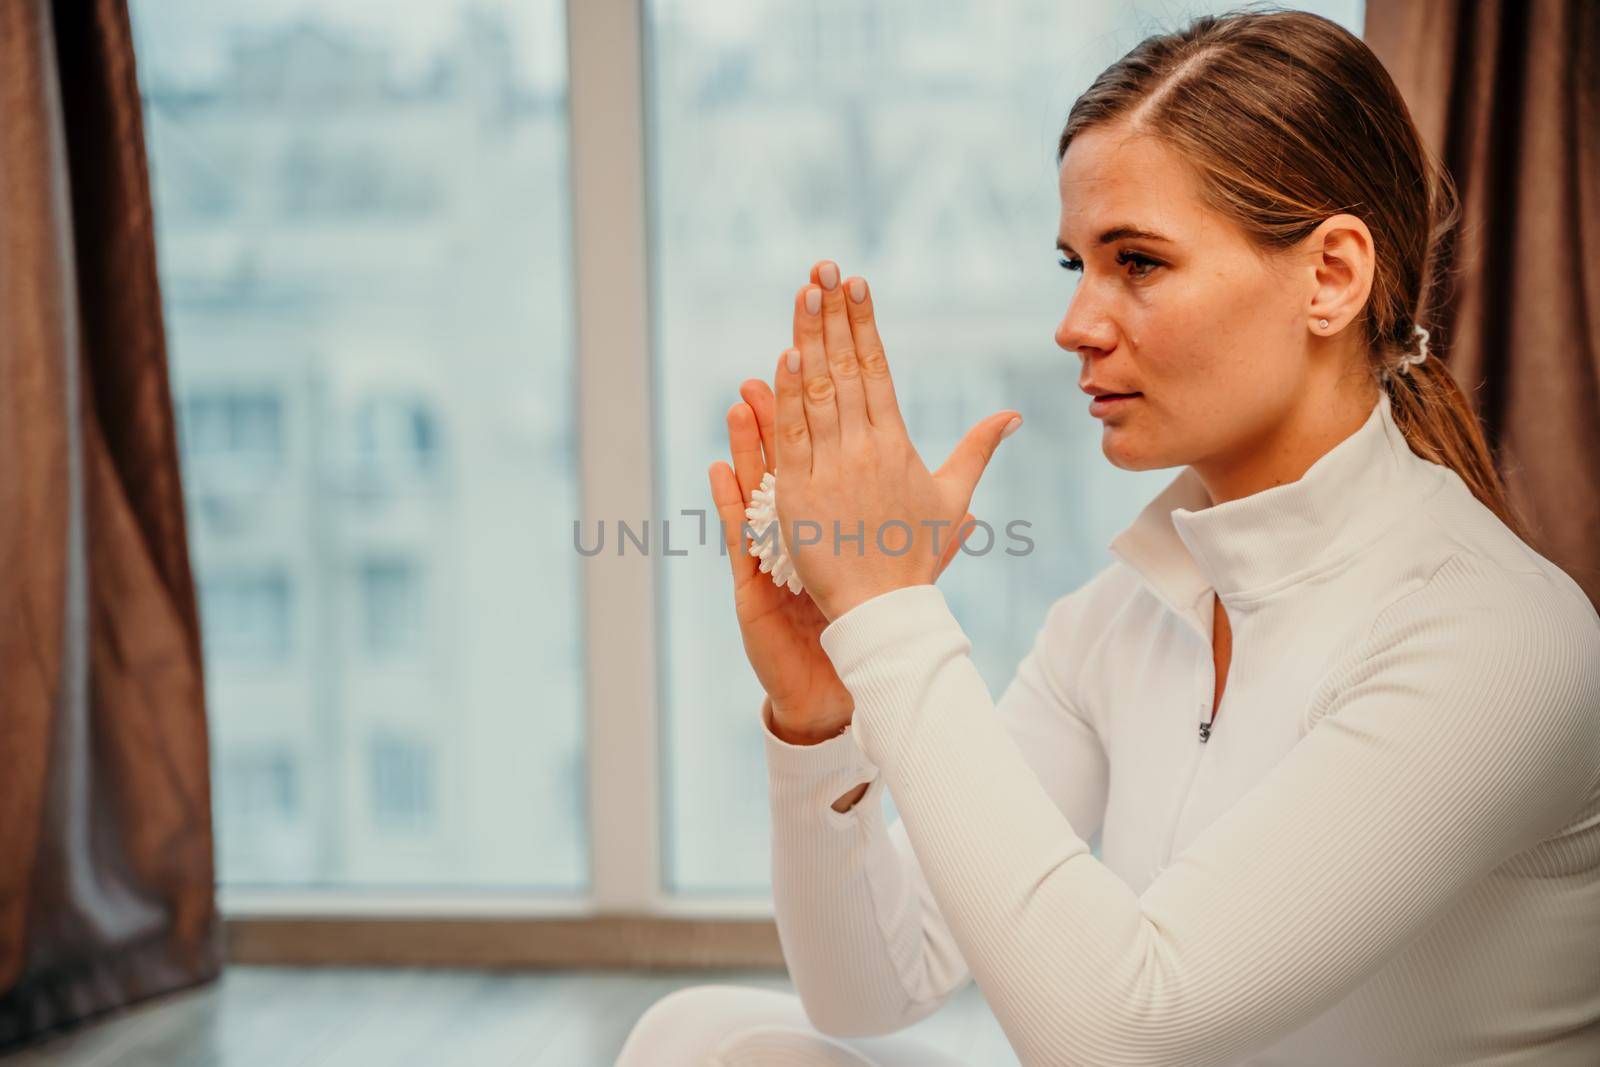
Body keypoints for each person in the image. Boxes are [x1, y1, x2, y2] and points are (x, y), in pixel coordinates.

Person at [619, 9, 1600, 1065]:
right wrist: (817, 717)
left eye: (1136, 261)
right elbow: (869, 985)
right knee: (696, 1032)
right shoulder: (1122, 614)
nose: (1076, 323)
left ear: (1329, 277)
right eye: (1073, 264)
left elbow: (1122, 1026)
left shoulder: (1494, 635)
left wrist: (890, 611)